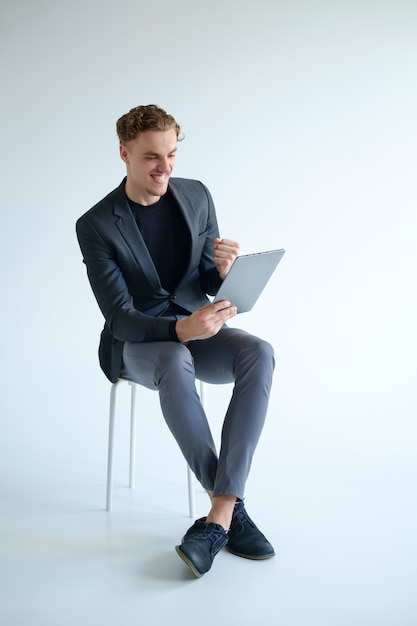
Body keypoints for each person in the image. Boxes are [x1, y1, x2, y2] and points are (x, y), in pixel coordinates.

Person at [76, 104, 275, 578]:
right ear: (124, 154)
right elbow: (120, 316)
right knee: (173, 358)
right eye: (151, 157)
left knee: (259, 352)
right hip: (137, 345)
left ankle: (220, 514)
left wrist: (224, 272)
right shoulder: (96, 225)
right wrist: (180, 330)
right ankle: (228, 511)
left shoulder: (197, 196)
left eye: (171, 154)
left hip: (197, 328)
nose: (164, 168)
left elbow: (204, 281)